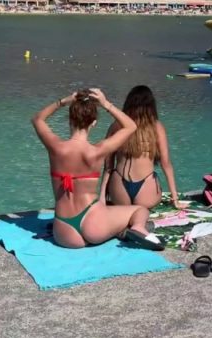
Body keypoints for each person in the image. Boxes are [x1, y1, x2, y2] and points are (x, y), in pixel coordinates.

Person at [31, 88, 162, 250]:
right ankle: (136, 228)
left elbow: (37, 119)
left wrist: (63, 102)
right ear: (94, 123)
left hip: (64, 233)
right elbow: (130, 126)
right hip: (94, 224)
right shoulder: (97, 151)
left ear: (70, 120)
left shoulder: (55, 147)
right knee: (140, 211)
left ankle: (121, 231)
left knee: (111, 217)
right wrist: (105, 104)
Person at [102, 85, 185, 211]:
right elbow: (166, 164)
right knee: (145, 202)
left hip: (119, 190)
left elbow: (108, 165)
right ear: (151, 106)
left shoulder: (117, 126)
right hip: (146, 191)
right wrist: (175, 199)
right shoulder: (156, 127)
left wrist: (102, 197)